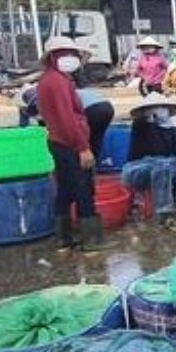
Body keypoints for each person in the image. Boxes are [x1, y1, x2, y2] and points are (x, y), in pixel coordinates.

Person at [36, 36, 106, 251]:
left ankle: (63, 239)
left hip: (58, 141)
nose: (72, 58)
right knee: (84, 188)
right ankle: (91, 242)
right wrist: (83, 147)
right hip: (69, 143)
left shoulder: (50, 80)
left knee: (65, 189)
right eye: (66, 54)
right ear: (54, 57)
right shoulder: (57, 82)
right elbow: (67, 119)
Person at [120, 93, 176, 219]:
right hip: (138, 168)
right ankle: (164, 212)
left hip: (165, 166)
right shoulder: (141, 126)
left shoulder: (170, 129)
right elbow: (142, 123)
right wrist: (149, 117)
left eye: (163, 107)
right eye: (156, 107)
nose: (161, 110)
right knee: (163, 167)